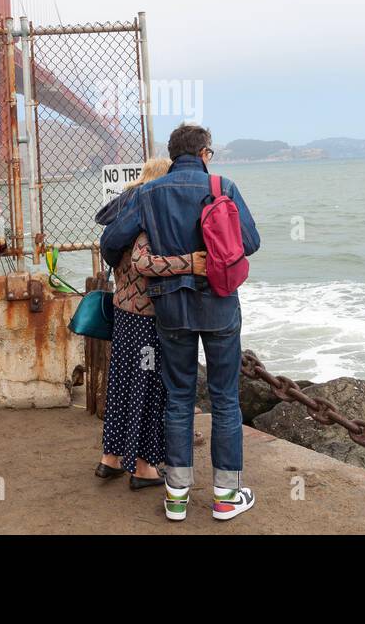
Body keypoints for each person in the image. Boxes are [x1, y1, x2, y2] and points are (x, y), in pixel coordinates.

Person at [99, 124, 260, 523]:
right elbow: (251, 242)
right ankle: (225, 497)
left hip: (170, 309)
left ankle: (176, 497)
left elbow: (111, 239)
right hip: (219, 305)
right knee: (224, 399)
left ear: (173, 156)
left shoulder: (149, 192)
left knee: (179, 397)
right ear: (205, 153)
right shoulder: (223, 187)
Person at [93, 157, 208, 489]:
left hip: (124, 312)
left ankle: (110, 459)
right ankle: (142, 467)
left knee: (123, 385)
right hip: (146, 318)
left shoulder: (122, 211)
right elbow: (144, 262)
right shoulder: (149, 213)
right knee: (149, 389)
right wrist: (190, 263)